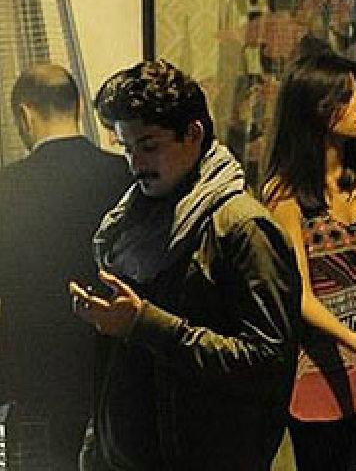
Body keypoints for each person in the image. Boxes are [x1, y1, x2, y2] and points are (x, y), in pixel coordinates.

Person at [67, 59, 301, 470]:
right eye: (127, 148)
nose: (136, 164)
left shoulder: (242, 228)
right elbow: (121, 364)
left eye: (149, 146)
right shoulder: (132, 223)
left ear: (193, 134)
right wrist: (97, 446)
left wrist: (147, 324)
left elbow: (267, 362)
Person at [0, 63, 130, 470]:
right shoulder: (126, 177)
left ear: (25, 114)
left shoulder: (7, 188)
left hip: (35, 385)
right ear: (78, 107)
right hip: (113, 384)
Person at [261, 51, 356, 471]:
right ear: (316, 108)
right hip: (321, 372)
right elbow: (300, 296)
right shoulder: (286, 194)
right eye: (345, 96)